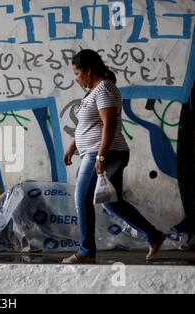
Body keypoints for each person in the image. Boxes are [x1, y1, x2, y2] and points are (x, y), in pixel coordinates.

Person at [62, 49, 166, 264]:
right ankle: (154, 235)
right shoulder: (93, 91)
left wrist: (100, 157)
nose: (77, 79)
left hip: (104, 152)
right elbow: (87, 124)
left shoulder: (105, 89)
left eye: (78, 74)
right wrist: (72, 146)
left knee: (82, 198)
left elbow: (109, 125)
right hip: (97, 152)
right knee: (112, 203)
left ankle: (86, 252)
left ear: (88, 71)